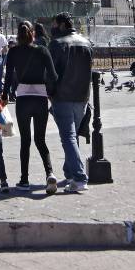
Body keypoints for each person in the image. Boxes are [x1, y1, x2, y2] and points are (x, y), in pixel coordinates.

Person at [4, 22, 58, 194]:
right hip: (40, 98)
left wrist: (4, 96)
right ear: (33, 33)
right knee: (40, 140)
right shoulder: (42, 50)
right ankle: (50, 173)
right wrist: (51, 92)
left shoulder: (13, 52)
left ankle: (24, 180)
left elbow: (8, 77)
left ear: (18, 34)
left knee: (25, 141)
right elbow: (53, 75)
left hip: (23, 99)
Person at [47, 12, 93, 193]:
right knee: (72, 136)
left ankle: (80, 178)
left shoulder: (57, 44)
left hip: (63, 96)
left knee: (68, 137)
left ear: (62, 25)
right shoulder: (86, 42)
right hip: (82, 96)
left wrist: (50, 93)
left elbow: (51, 73)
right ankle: (70, 174)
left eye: (54, 24)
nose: (52, 28)